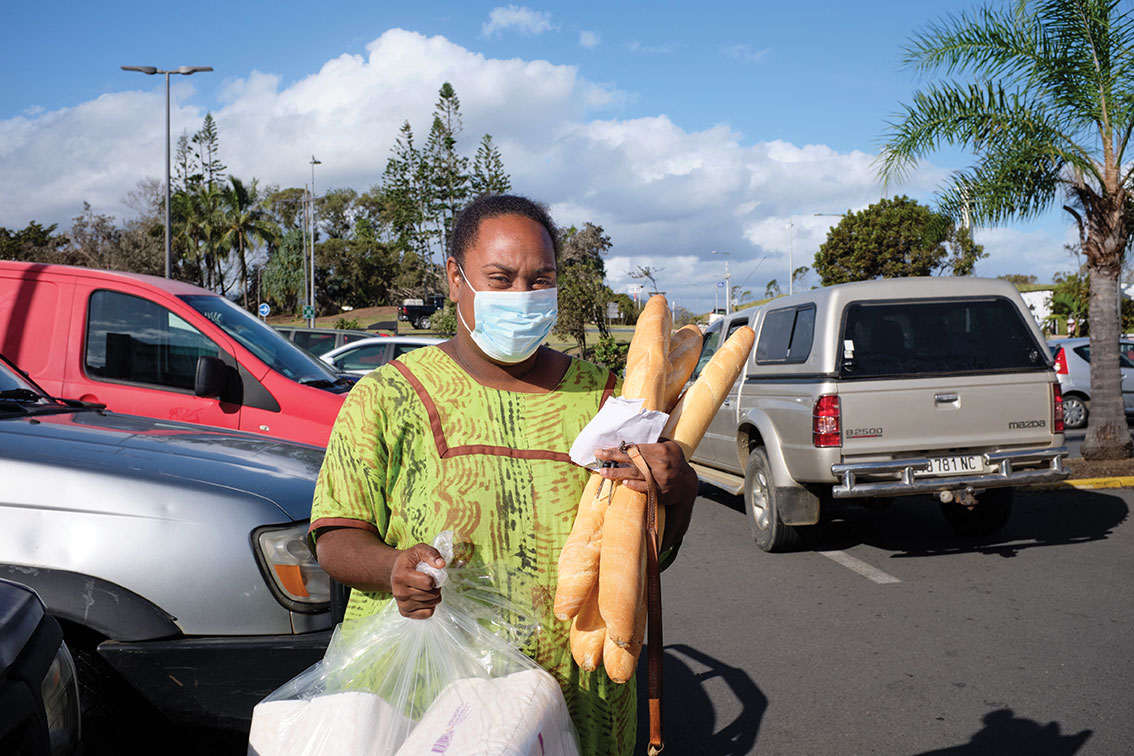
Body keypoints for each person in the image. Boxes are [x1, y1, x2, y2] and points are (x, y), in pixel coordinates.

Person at [308, 193, 698, 756]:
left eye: (541, 279)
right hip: (428, 700)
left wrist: (679, 490)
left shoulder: (611, 399)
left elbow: (642, 559)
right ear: (454, 279)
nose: (523, 296)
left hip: (577, 695)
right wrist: (393, 566)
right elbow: (335, 536)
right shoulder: (387, 396)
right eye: (501, 278)